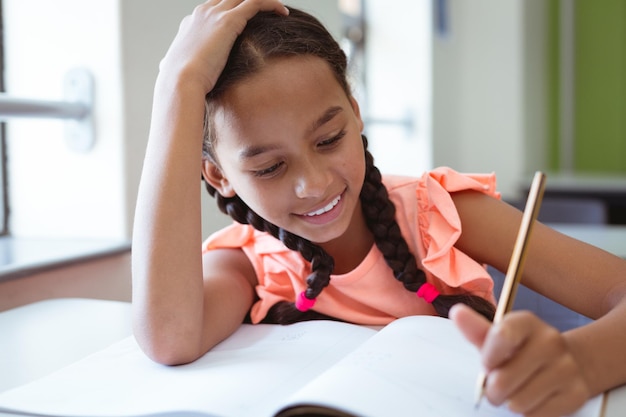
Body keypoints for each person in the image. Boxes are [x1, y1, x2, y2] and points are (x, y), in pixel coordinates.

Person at [131, 1, 626, 416]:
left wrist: (580, 363)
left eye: (329, 138)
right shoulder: (249, 261)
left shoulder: (439, 215)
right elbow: (171, 338)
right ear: (218, 176)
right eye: (269, 168)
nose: (314, 184)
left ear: (356, 111)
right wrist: (177, 83)